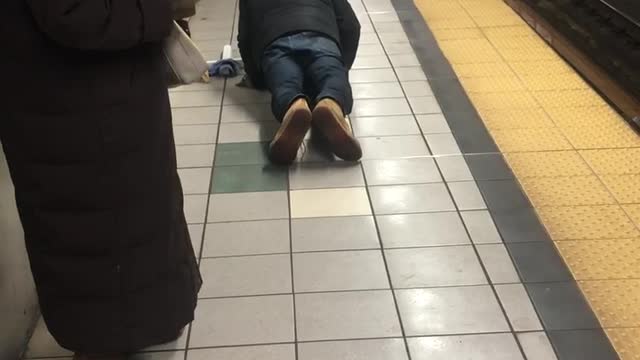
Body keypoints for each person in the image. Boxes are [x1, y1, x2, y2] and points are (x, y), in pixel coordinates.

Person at [1, 1, 202, 359]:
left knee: (135, 219)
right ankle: (114, 335)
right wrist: (159, 9)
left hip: (93, 96)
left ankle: (146, 320)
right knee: (100, 236)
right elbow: (74, 15)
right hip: (76, 104)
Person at [238, 0, 362, 164]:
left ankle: (294, 105)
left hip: (274, 41)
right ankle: (330, 103)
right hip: (320, 34)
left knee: (284, 82)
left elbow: (245, 40)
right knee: (331, 74)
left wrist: (259, 79)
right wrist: (343, 63)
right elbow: (351, 25)